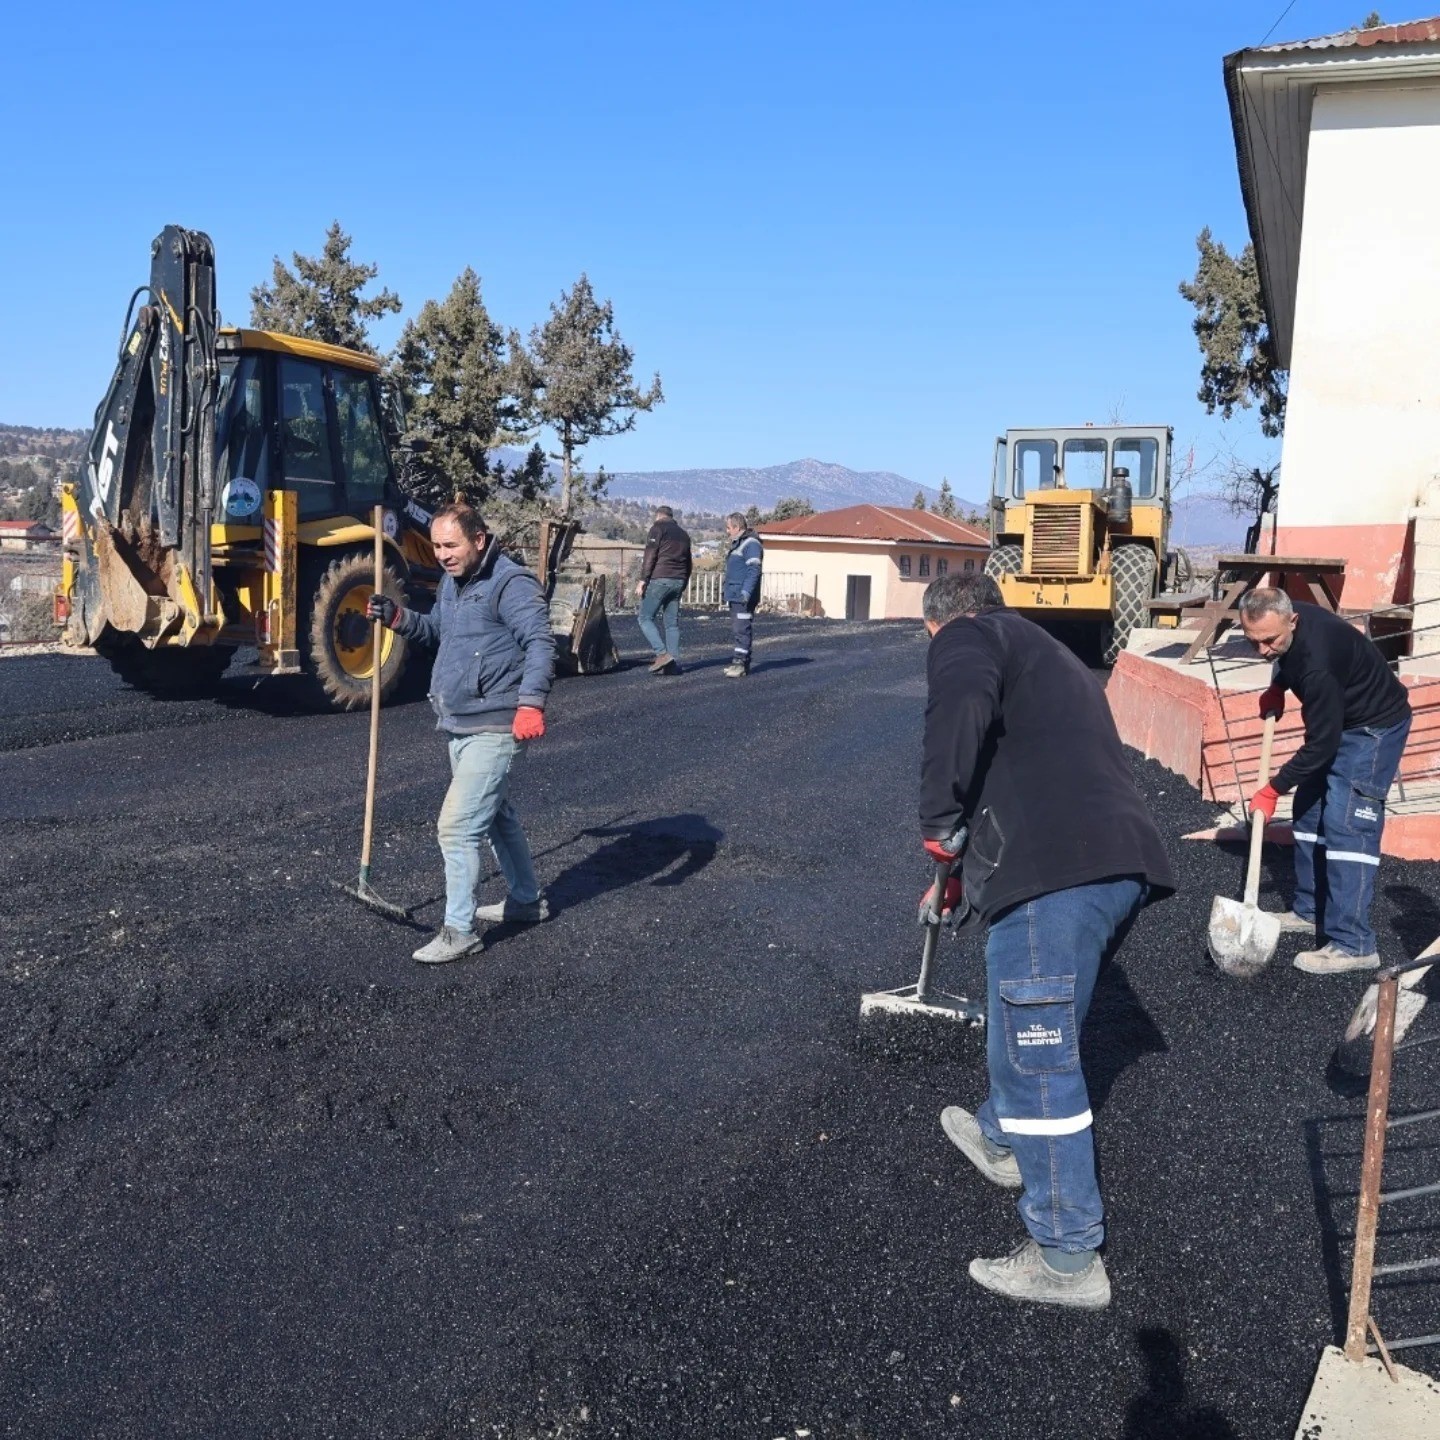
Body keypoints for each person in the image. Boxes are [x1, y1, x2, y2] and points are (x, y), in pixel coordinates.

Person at [919, 572, 1174, 1310]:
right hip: (1114, 865)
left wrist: (937, 824)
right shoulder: (1054, 654)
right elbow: (1032, 769)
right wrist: (962, 874)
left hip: (1052, 874)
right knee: (1030, 1025)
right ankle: (1002, 1140)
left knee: (1036, 1056)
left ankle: (1066, 1258)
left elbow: (958, 707)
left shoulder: (968, 635)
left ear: (942, 622)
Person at [367, 503, 556, 965]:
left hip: (496, 722)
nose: (442, 555)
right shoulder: (454, 584)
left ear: (478, 539)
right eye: (436, 545)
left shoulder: (510, 583)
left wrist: (531, 702)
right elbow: (440, 632)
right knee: (495, 816)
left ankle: (459, 930)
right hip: (460, 721)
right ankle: (526, 901)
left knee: (456, 827)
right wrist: (398, 618)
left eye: (450, 545)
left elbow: (541, 641)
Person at [1240, 587, 1412, 975]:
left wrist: (1272, 789)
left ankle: (1354, 944)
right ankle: (1310, 910)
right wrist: (1277, 685)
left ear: (1293, 621)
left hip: (1374, 728)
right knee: (1309, 811)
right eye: (1254, 642)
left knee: (1348, 825)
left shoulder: (1317, 666)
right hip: (1341, 719)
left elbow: (1321, 746)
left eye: (1271, 641)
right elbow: (1285, 657)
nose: (1264, 650)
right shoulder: (1284, 618)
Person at [634, 505, 692, 673]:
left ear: (658, 516)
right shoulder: (684, 534)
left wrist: (643, 580)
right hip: (678, 580)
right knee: (671, 624)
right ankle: (672, 665)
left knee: (645, 618)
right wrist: (683, 582)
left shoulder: (657, 528)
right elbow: (689, 562)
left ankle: (662, 654)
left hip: (660, 579)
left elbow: (650, 555)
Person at [722, 512, 763, 677]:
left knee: (741, 629)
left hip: (742, 596)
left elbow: (754, 569)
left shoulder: (750, 544)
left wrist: (745, 592)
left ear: (737, 527)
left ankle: (739, 664)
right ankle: (741, 663)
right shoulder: (740, 543)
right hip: (736, 594)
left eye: (728, 527)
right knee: (739, 629)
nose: (727, 531)